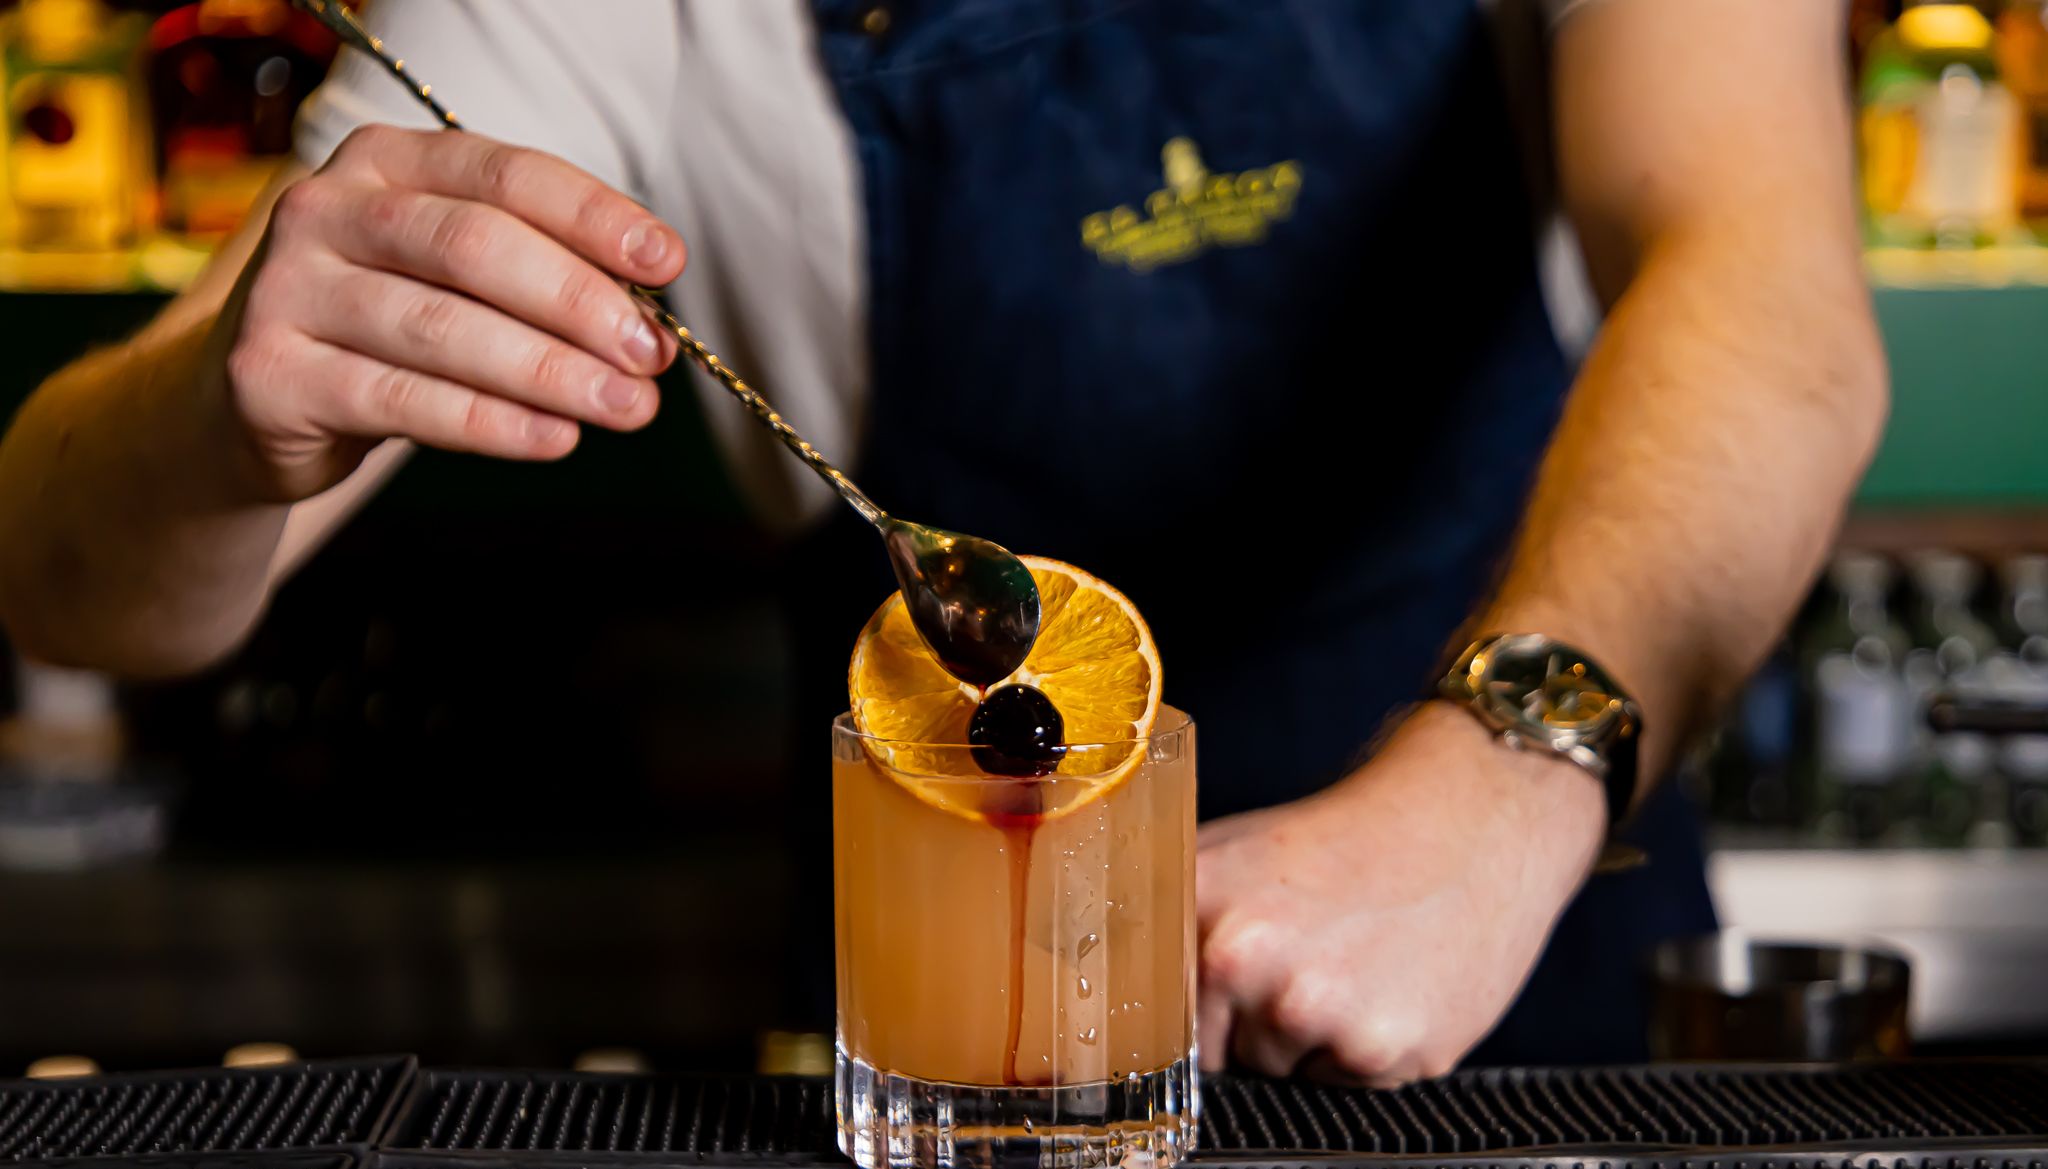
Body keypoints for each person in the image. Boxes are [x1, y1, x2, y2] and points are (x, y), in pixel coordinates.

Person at [0, 0, 1885, 1084]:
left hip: (1527, 977)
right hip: (967, 1081)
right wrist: (218, 420)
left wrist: (1497, 781)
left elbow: (1769, 299)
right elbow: (65, 573)